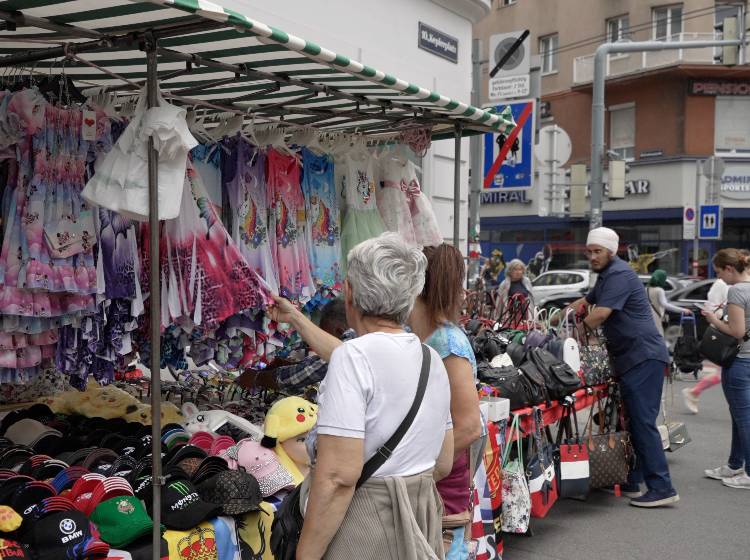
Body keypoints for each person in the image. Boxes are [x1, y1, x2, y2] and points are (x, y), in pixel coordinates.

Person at [272, 232, 454, 559]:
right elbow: (443, 461)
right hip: (418, 525)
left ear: (350, 293)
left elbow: (338, 478)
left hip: (363, 529)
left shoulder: (352, 359)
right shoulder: (432, 361)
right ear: (410, 298)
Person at [566, 227, 679, 507]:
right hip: (632, 358)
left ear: (611, 251)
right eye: (589, 251)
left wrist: (572, 335)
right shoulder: (607, 274)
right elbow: (586, 302)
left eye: (597, 251)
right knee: (631, 421)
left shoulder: (618, 274)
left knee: (642, 423)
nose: (592, 256)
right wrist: (562, 315)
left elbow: (601, 313)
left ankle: (662, 487)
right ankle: (632, 479)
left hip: (643, 357)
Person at [409, 244, 483, 559]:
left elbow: (469, 427)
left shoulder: (448, 343)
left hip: (441, 482)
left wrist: (421, 467)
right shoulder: (421, 337)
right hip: (430, 476)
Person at [700, 249, 750, 489]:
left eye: (719, 272)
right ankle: (734, 464)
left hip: (740, 361)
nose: (720, 278)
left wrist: (713, 319)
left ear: (729, 269)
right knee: (741, 417)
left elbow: (737, 332)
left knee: (743, 418)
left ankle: (747, 472)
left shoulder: (737, 290)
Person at [683, 278, 727, 414]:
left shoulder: (735, 283)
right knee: (724, 372)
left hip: (732, 332)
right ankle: (694, 391)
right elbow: (713, 309)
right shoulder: (721, 284)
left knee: (726, 372)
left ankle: (694, 392)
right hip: (725, 333)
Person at [646, 269, 692, 337]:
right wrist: (683, 310)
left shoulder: (646, 289)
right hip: (656, 319)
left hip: (647, 318)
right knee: (659, 338)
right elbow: (665, 304)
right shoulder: (659, 290)